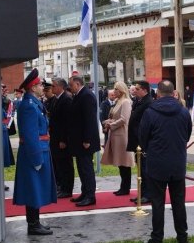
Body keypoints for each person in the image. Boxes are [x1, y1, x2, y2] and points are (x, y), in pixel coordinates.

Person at [139, 80, 192, 243]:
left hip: (157, 162)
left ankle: (157, 240)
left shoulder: (150, 112)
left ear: (158, 93)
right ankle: (182, 237)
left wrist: (151, 149)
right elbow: (187, 134)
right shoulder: (183, 112)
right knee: (178, 201)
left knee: (157, 203)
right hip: (177, 161)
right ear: (173, 93)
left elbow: (143, 137)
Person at [13, 69, 56, 235]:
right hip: (34, 152)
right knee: (33, 189)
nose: (42, 87)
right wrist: (37, 158)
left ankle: (35, 221)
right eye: (39, 84)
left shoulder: (34, 103)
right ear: (32, 87)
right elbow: (30, 136)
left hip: (39, 150)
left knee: (36, 189)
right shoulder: (28, 106)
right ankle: (32, 224)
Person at [68, 75, 101, 206]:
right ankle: (85, 192)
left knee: (86, 169)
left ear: (77, 83)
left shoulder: (86, 96)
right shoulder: (79, 95)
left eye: (71, 85)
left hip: (85, 141)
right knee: (81, 168)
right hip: (79, 140)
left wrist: (87, 139)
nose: (70, 88)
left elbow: (90, 120)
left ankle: (90, 196)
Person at [101, 81, 135, 195]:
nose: (114, 91)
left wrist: (111, 124)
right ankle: (123, 186)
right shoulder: (118, 102)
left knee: (124, 162)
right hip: (116, 135)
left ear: (121, 90)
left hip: (122, 135)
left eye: (116, 89)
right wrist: (109, 121)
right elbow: (116, 117)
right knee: (120, 163)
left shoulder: (125, 102)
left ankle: (126, 187)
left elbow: (124, 119)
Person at [127, 80, 154, 204]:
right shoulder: (138, 101)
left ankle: (148, 194)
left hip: (142, 140)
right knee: (140, 169)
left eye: (137, 89)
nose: (134, 91)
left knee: (145, 169)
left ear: (144, 90)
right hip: (136, 139)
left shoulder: (148, 102)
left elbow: (139, 119)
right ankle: (142, 193)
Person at [48, 78, 74, 199]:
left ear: (60, 87)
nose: (51, 88)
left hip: (62, 139)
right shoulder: (56, 99)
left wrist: (64, 140)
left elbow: (67, 122)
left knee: (65, 164)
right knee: (58, 163)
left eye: (53, 86)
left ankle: (67, 189)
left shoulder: (66, 99)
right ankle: (61, 186)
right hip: (55, 138)